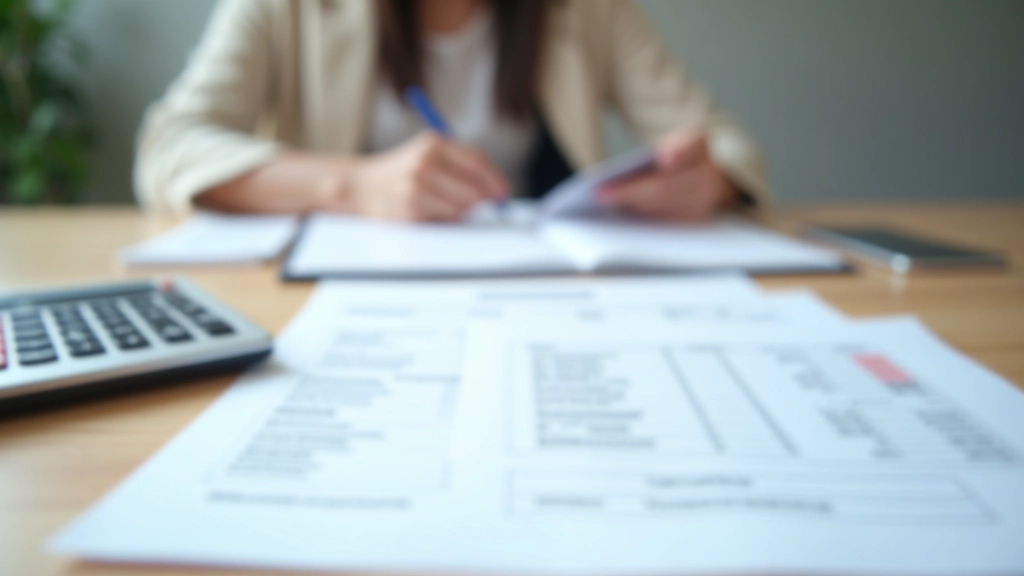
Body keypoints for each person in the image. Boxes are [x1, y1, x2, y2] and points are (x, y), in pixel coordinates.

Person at [135, 0, 767, 222]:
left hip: (543, 295)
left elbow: (727, 144)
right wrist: (351, 185)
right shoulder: (289, 7)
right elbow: (169, 147)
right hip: (339, 299)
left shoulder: (588, 10)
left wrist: (708, 179)